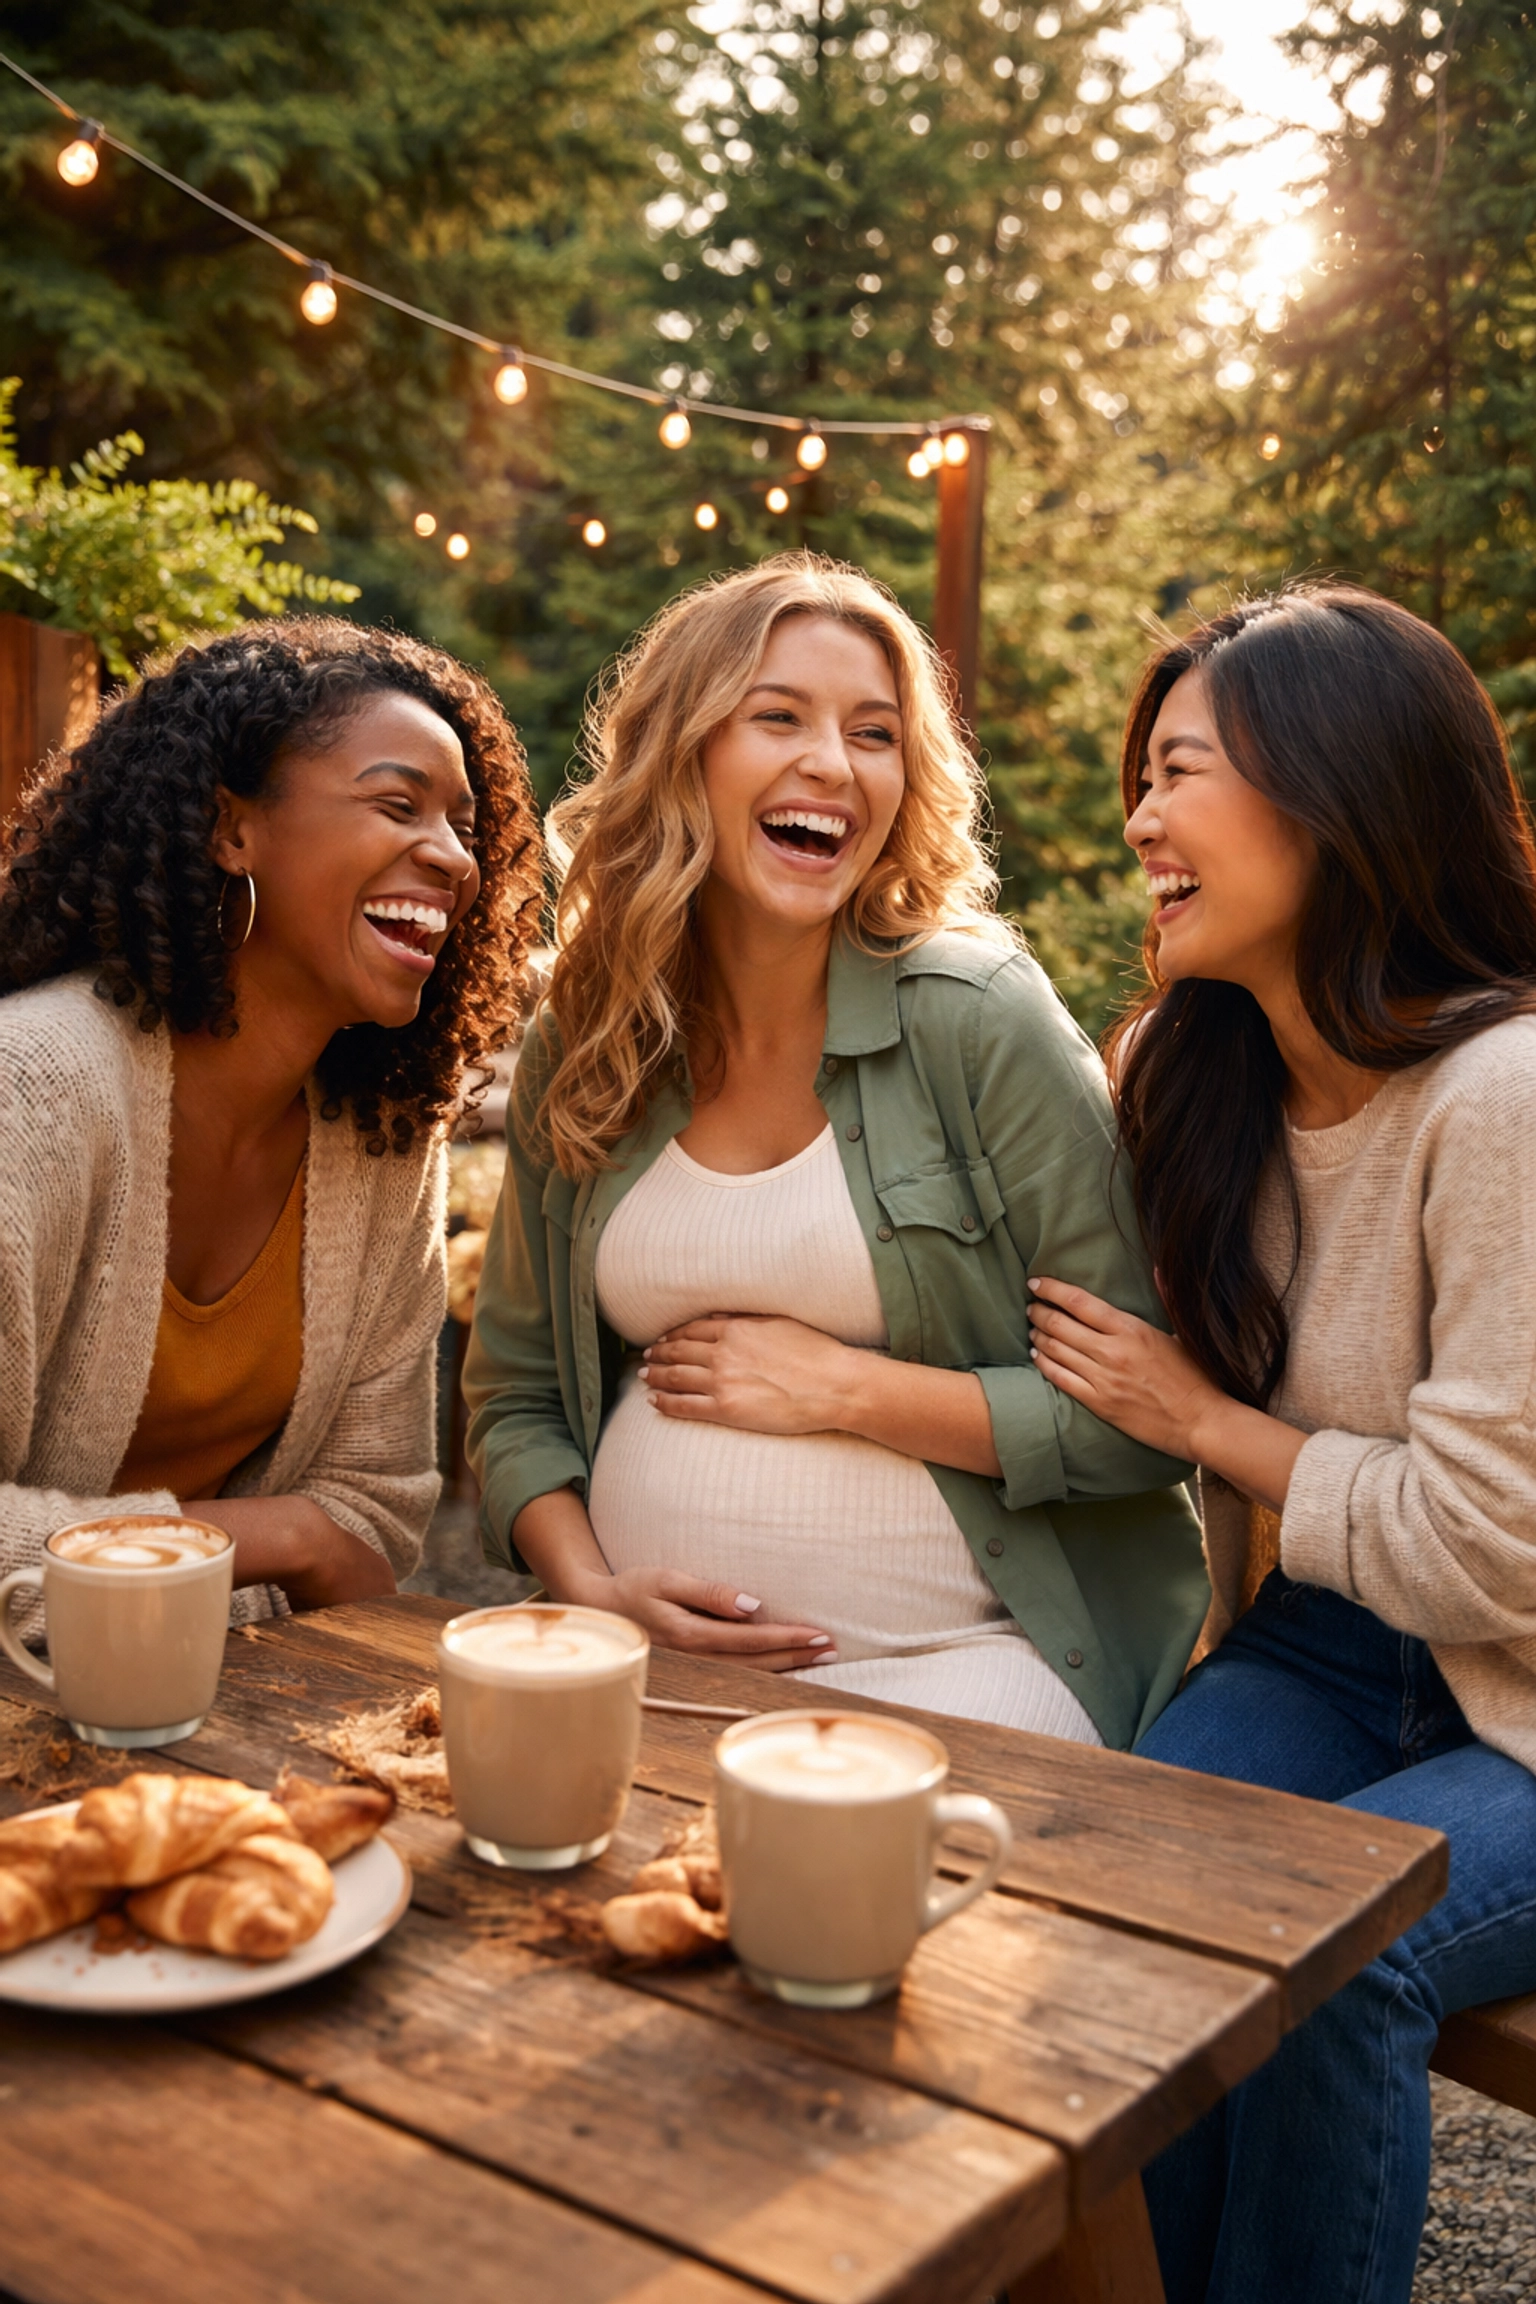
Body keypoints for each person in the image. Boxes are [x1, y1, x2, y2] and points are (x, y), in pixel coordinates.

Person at [1024, 584, 1536, 2302]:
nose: (1139, 820)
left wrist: (1204, 1420)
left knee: (1337, 1955)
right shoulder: (1192, 1076)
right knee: (1123, 1884)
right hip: (1333, 1638)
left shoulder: (1505, 1096)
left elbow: (1490, 1547)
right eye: (1144, 777)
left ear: (1336, 792)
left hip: (1527, 1684)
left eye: (1181, 772)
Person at [466, 554, 1205, 1741]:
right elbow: (514, 1394)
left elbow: (1143, 1419)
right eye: (779, 718)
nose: (834, 764)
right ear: (682, 754)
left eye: (874, 734)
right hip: (649, 1662)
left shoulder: (978, 1017)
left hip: (970, 1658)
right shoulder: (596, 1032)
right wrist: (592, 1591)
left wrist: (845, 1390)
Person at [0, 616, 541, 1620]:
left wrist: (187, 1595)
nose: (453, 860)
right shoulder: (29, 1090)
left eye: (464, 829)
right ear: (231, 828)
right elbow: (321, 1549)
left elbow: (372, 1514)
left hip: (225, 1690)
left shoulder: (382, 1137)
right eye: (397, 805)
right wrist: (275, 1541)